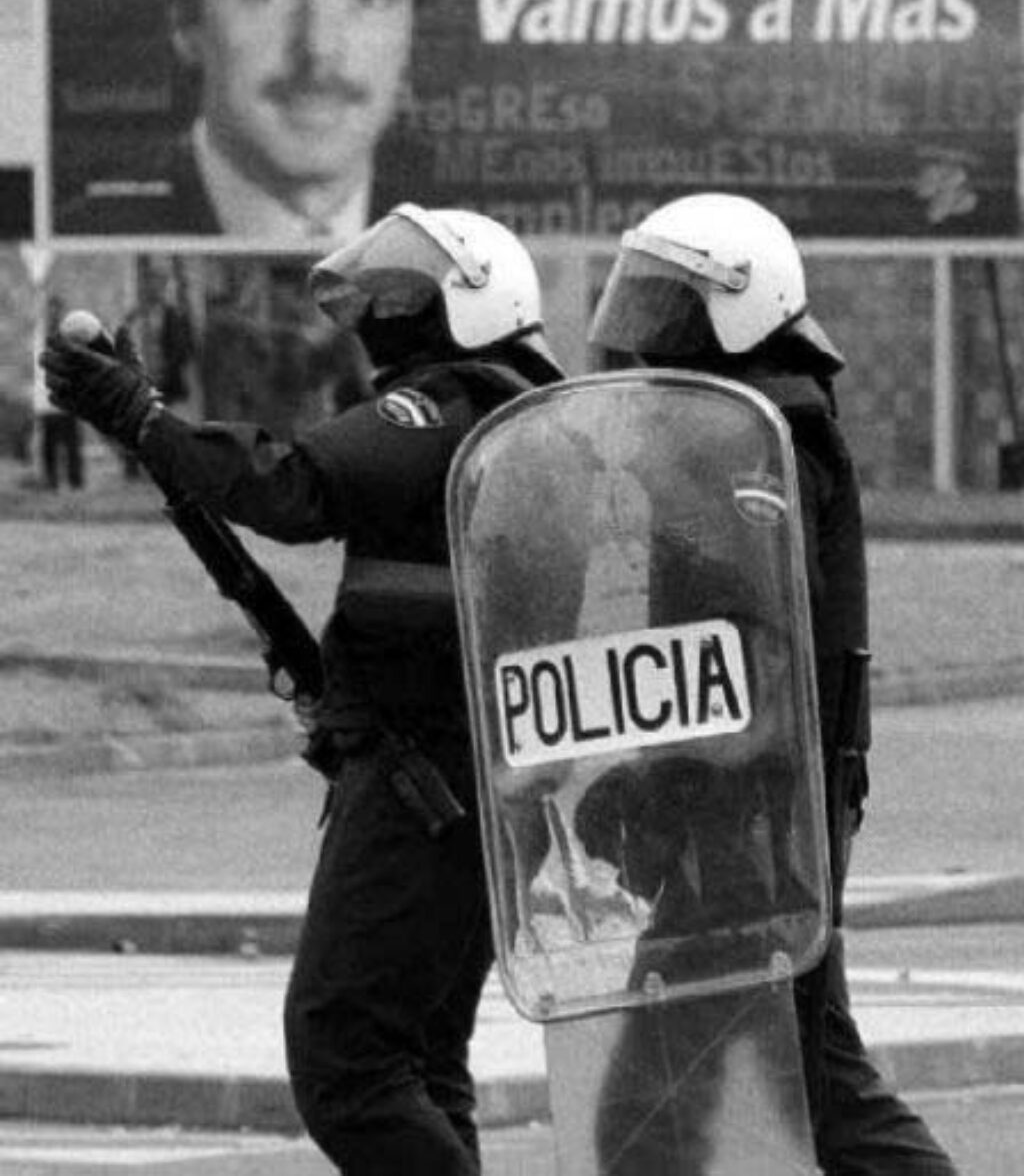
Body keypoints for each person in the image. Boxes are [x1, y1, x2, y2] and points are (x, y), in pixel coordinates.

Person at [39, 202, 566, 1175]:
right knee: (418, 1059)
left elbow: (288, 489)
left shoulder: (444, 407)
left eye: (403, 293)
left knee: (344, 1060)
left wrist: (136, 412)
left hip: (425, 790)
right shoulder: (530, 420)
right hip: (491, 786)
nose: (379, 311)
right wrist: (144, 418)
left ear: (470, 303)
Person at [588, 192, 959, 1175]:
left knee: (676, 1102)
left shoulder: (765, 437)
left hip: (761, 818)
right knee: (749, 1083)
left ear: (742, 306)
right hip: (741, 812)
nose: (644, 334)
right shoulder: (720, 433)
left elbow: (757, 660)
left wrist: (665, 769)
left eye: (670, 307)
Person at [60, 0, 429, 244]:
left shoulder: (474, 247)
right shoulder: (84, 232)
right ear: (186, 22)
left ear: (410, 26)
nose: (319, 49)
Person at [35, 294, 84, 491]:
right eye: (51, 309)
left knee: (71, 441)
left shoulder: (70, 335)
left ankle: (75, 481)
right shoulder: (40, 334)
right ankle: (51, 480)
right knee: (49, 441)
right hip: (46, 395)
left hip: (67, 393)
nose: (54, 313)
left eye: (57, 309)